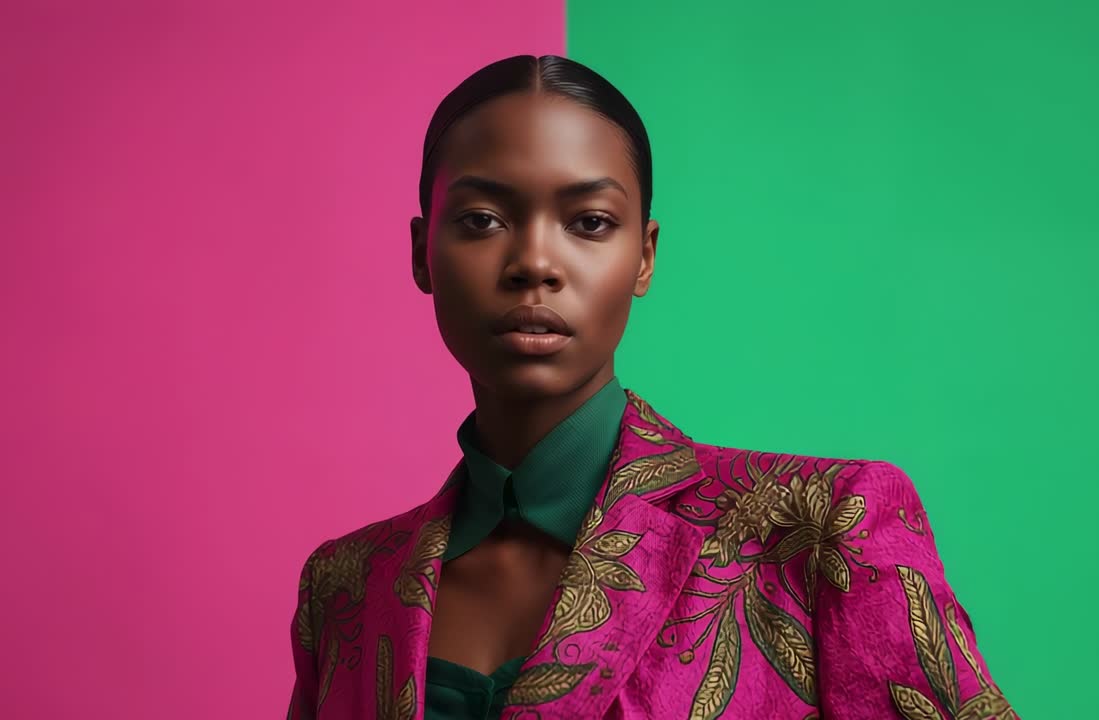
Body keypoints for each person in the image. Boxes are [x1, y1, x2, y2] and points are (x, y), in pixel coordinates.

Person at [286, 54, 1016, 720]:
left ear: (644, 256)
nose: (534, 262)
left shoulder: (815, 530)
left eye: (590, 222)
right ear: (422, 254)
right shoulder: (346, 588)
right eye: (483, 220)